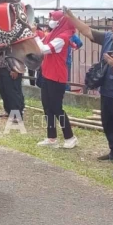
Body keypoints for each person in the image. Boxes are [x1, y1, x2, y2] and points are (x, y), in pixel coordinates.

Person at [66, 8, 113, 161]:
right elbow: (87, 31)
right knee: (108, 122)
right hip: (107, 89)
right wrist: (71, 17)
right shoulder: (109, 37)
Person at [34, 10, 78, 149]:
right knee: (47, 107)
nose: (50, 21)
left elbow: (45, 49)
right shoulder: (53, 34)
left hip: (57, 77)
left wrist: (34, 35)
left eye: (53, 18)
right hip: (47, 74)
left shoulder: (63, 37)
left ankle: (70, 137)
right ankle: (51, 137)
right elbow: (41, 42)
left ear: (61, 21)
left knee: (56, 108)